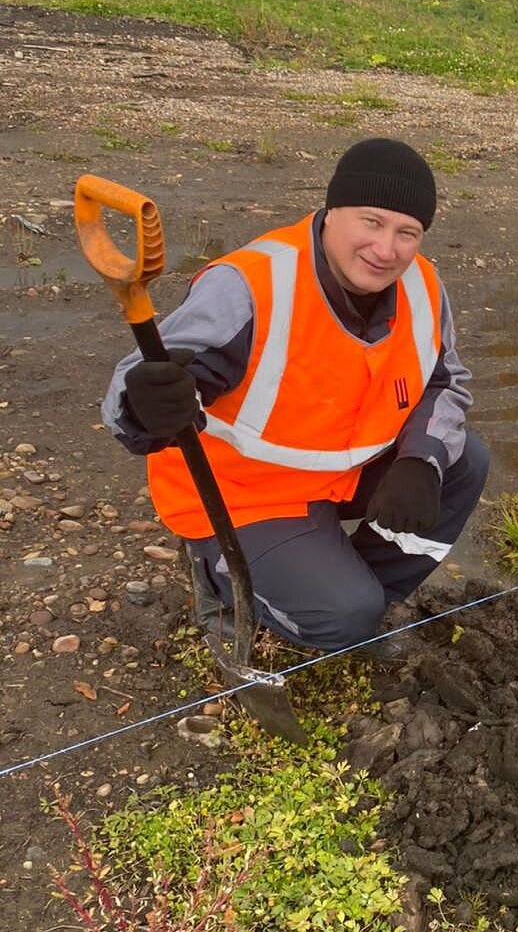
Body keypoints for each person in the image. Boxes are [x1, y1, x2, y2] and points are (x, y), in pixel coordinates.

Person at [101, 138, 489, 655]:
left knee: (461, 461)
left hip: (338, 474)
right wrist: (143, 405)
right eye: (371, 222)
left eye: (407, 233)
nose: (386, 249)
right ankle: (224, 579)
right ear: (331, 212)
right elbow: (143, 382)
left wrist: (420, 460)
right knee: (340, 614)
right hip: (243, 494)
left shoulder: (422, 284)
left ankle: (368, 597)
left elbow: (446, 382)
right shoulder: (251, 284)